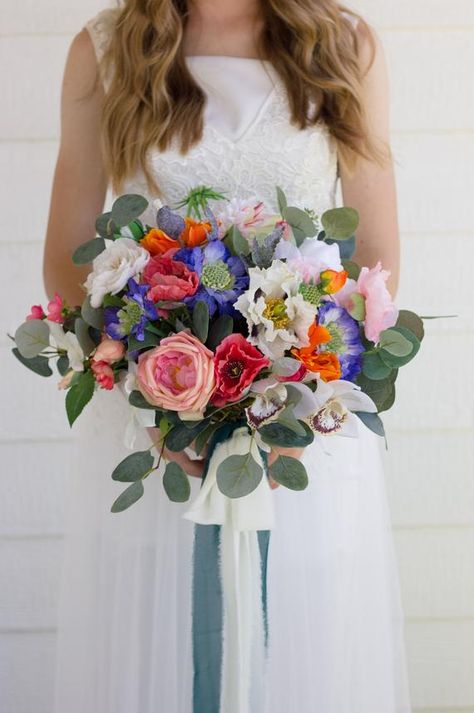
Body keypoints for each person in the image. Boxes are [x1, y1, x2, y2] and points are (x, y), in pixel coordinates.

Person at [43, 1, 411, 711]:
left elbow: (376, 259)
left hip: (306, 427)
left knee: (301, 647)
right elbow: (66, 260)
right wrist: (156, 393)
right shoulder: (107, 50)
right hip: (153, 426)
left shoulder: (345, 45)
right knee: (167, 642)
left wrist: (300, 404)